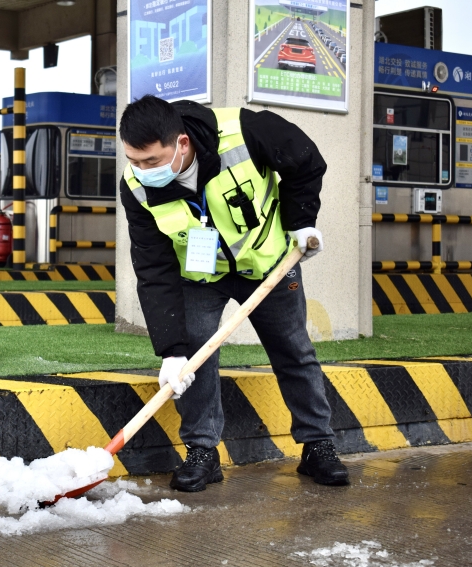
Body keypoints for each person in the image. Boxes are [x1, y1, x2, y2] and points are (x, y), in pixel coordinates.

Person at [119, 95, 349, 492]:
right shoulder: (135, 187)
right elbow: (153, 268)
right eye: (134, 161)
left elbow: (306, 162)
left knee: (294, 350)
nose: (142, 171)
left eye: (152, 161)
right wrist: (172, 351)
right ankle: (203, 452)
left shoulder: (245, 130)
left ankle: (318, 445)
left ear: (183, 143)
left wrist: (301, 222)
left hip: (268, 264)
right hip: (201, 275)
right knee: (194, 359)